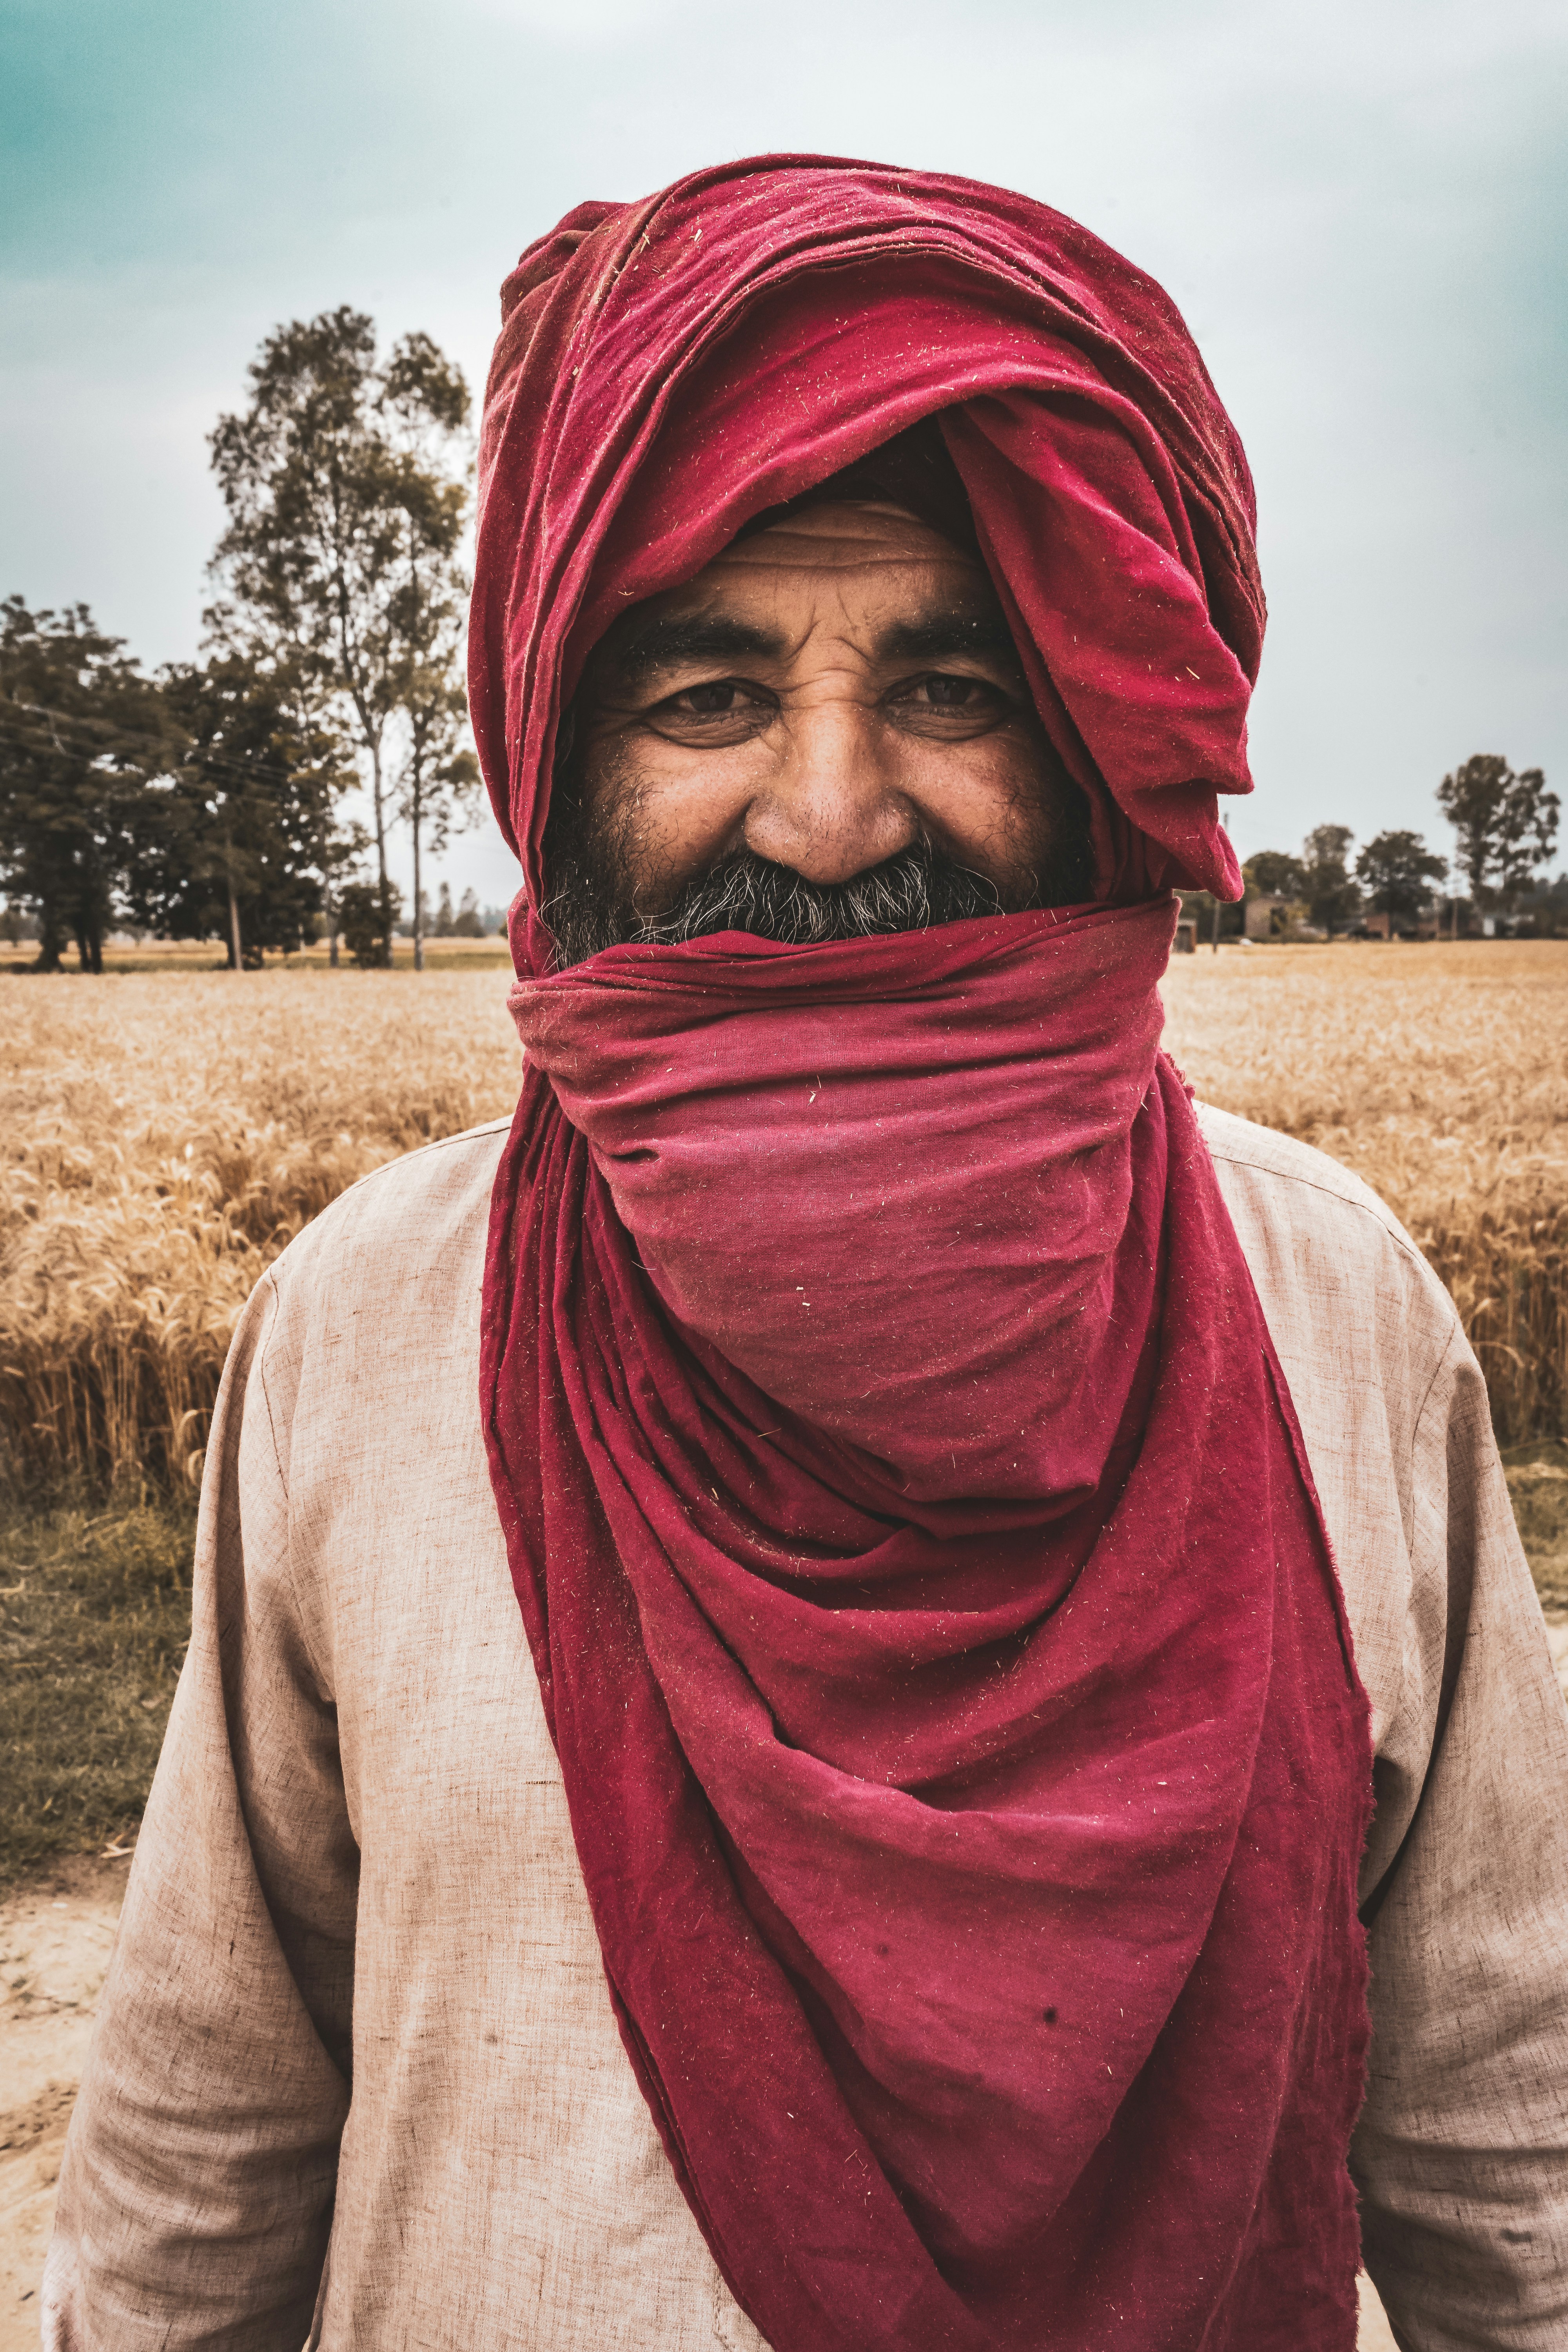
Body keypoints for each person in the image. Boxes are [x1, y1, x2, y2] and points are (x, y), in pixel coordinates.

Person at [45, 158, 1568, 2352]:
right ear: (563, 755)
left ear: (1090, 748)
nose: (830, 809)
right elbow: (199, 2166)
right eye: (710, 697)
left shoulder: (1343, 1315)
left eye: (950, 687)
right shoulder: (365, 1326)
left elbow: (1505, 2164)